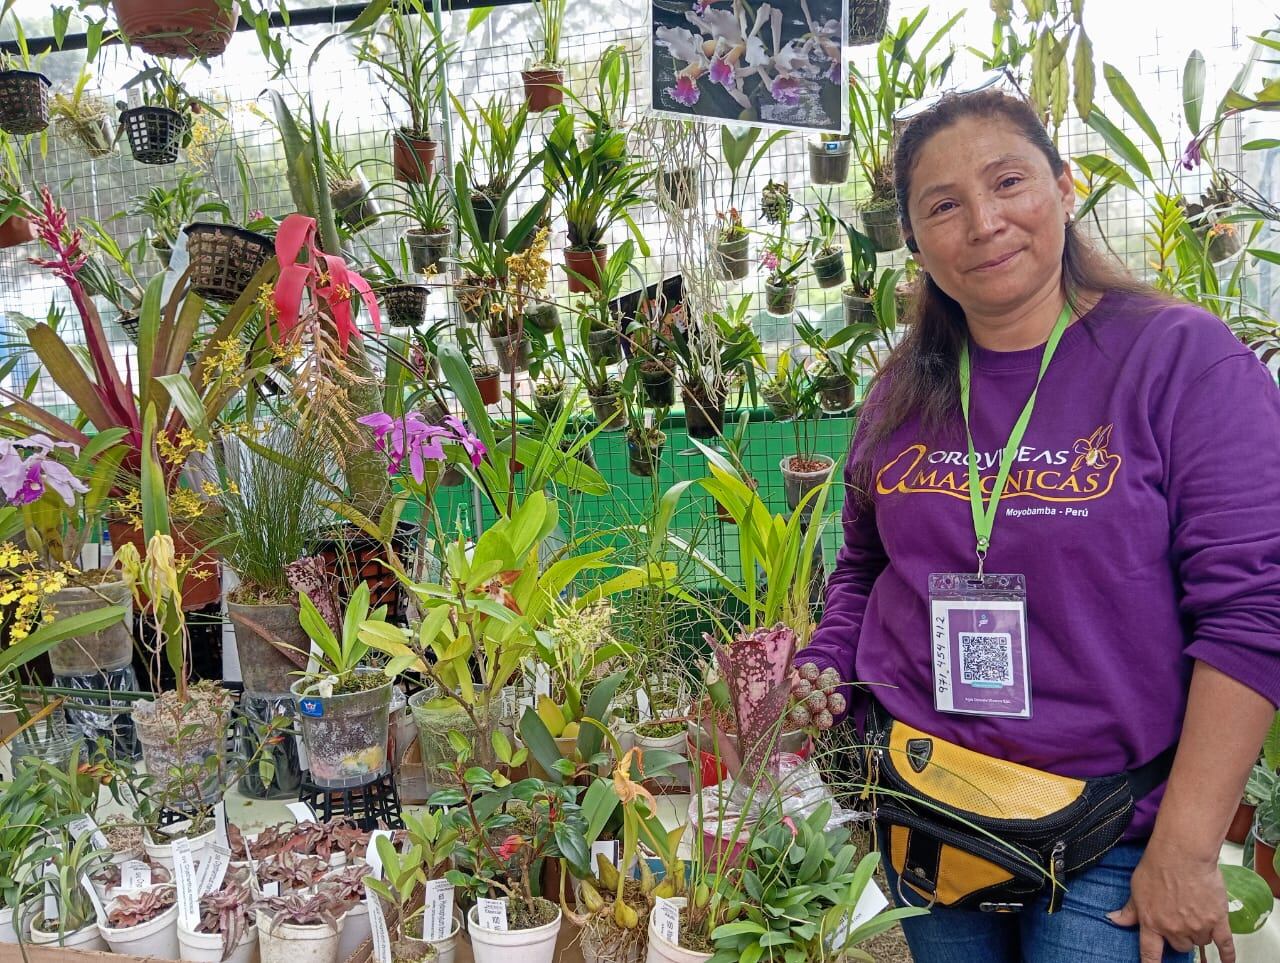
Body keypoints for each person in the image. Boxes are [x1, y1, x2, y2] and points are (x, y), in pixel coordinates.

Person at [795, 86, 1280, 963]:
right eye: (943, 205)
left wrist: (1188, 844)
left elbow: (1254, 610)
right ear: (912, 237)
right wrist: (824, 665)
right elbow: (864, 564)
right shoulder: (903, 386)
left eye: (1009, 182)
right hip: (926, 803)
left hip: (1113, 829)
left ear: (1064, 186)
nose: (984, 223)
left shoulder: (1180, 360)